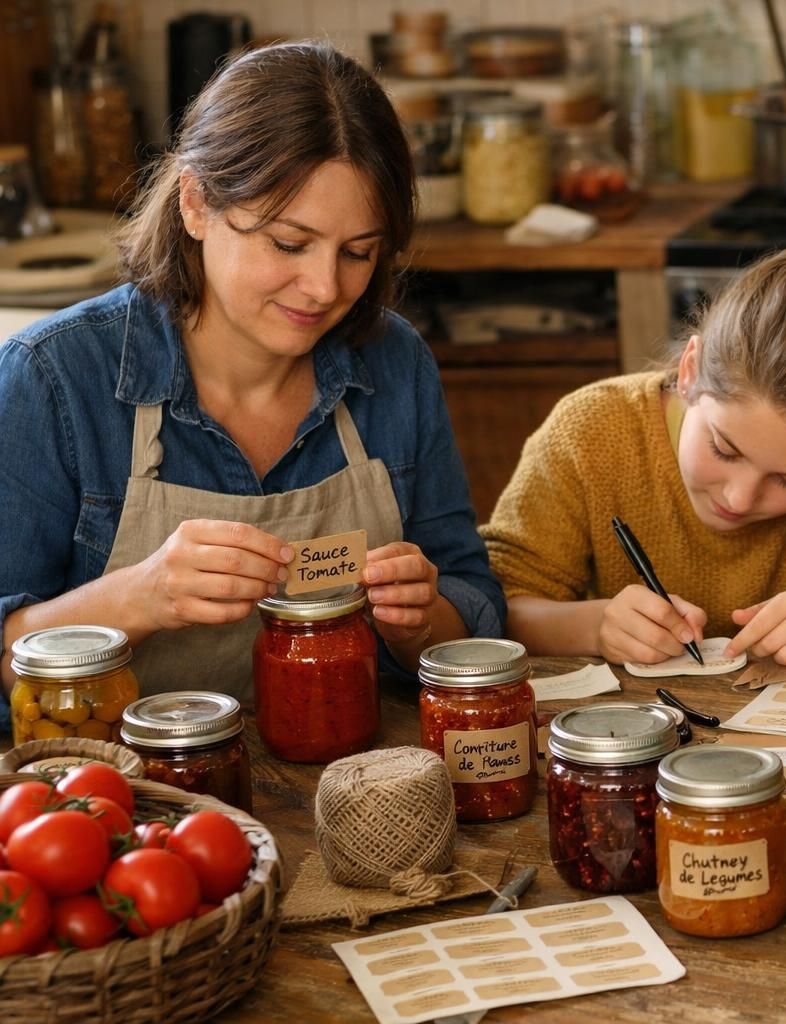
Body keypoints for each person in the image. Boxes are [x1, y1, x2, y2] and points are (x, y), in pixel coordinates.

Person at [0, 42, 505, 711]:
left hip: (353, 765)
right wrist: (137, 598)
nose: (324, 287)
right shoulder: (52, 377)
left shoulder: (395, 361)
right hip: (124, 773)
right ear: (196, 203)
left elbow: (471, 606)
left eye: (358, 252)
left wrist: (420, 622)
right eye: (289, 244)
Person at [480, 234, 786, 671]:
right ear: (690, 371)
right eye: (724, 449)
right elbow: (495, 610)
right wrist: (596, 626)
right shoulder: (590, 431)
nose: (739, 498)